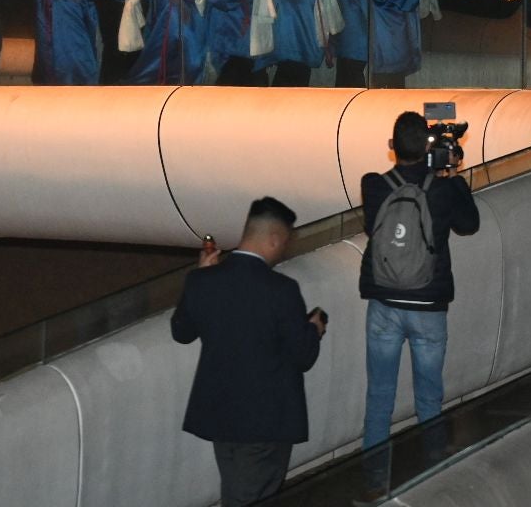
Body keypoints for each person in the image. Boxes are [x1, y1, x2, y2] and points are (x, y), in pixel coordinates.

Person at [172, 196, 326, 506]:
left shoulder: (202, 280)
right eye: (285, 241)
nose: (285, 249)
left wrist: (201, 274)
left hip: (220, 415)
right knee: (253, 497)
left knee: (237, 491)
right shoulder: (281, 289)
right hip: (265, 422)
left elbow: (182, 332)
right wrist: (315, 328)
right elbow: (302, 356)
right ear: (273, 239)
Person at [359, 112, 480, 466]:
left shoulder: (373, 185)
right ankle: (433, 474)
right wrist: (453, 176)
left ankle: (374, 483)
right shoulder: (443, 189)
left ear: (391, 147)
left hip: (383, 303)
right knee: (429, 399)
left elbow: (372, 227)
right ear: (428, 149)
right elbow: (469, 225)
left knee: (379, 399)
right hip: (428, 305)